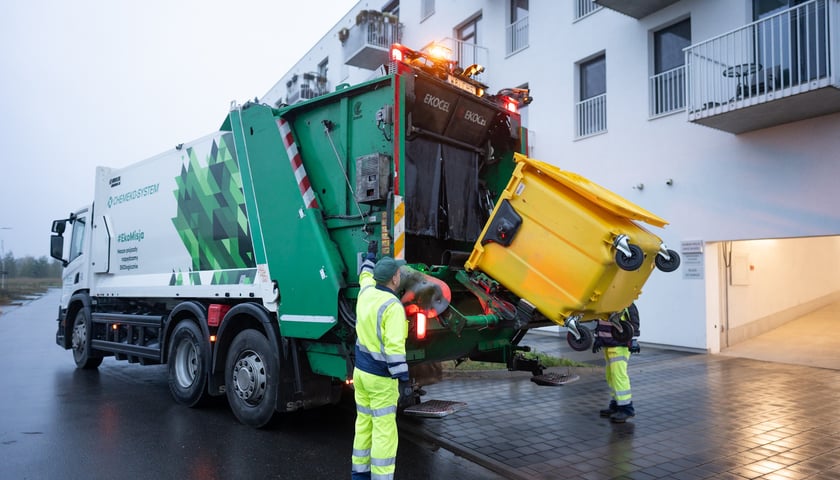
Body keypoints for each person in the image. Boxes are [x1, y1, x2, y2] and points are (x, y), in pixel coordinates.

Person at [351, 255, 408, 480]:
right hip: (381, 379)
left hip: (361, 373)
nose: (400, 275)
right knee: (384, 433)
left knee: (363, 425)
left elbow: (364, 275)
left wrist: (368, 258)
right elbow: (394, 349)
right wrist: (403, 378)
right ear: (394, 278)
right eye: (398, 273)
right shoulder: (393, 307)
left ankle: (360, 475)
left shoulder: (365, 292)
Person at [593, 303, 640, 423]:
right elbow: (600, 322)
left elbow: (634, 322)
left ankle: (626, 408)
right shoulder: (605, 301)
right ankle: (616, 405)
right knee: (611, 376)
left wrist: (634, 340)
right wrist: (597, 338)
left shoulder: (626, 303)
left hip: (620, 345)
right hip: (608, 344)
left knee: (618, 376)